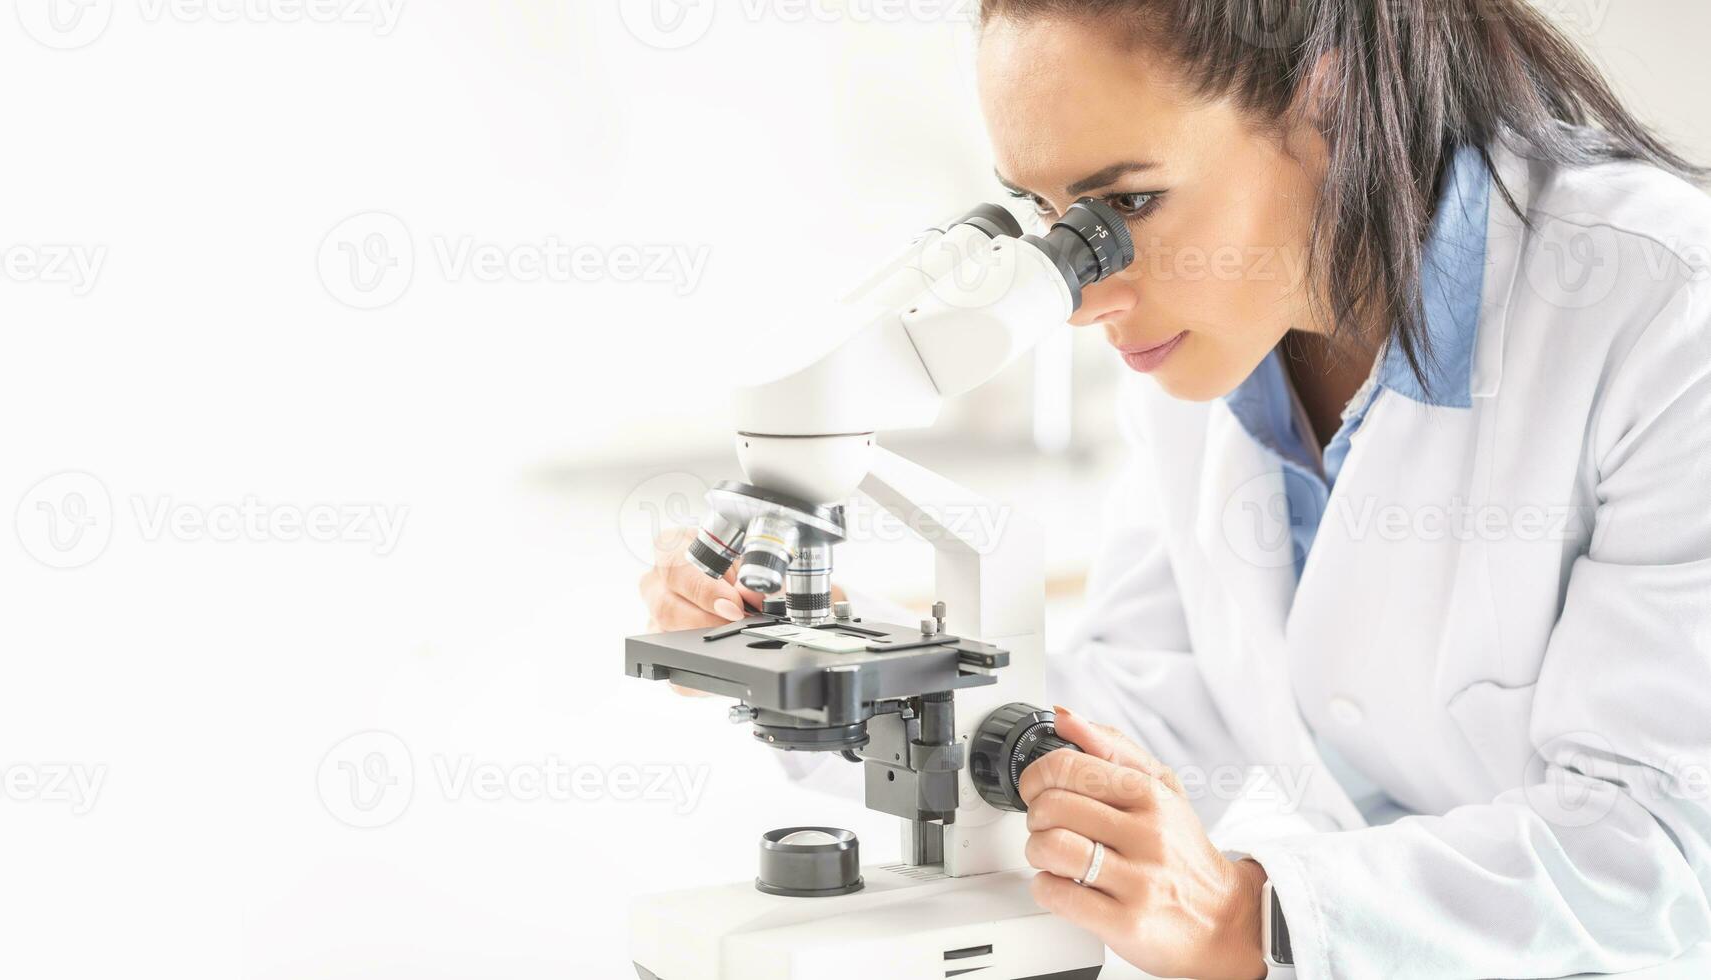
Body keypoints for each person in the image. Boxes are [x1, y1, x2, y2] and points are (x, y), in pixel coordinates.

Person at [636, 2, 1711, 977]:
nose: (1078, 294)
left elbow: (1668, 846)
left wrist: (1261, 917)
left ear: (1322, 101)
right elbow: (1141, 719)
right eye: (1045, 217)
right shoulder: (1211, 357)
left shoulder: (1661, 308)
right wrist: (822, 671)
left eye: (1128, 203)